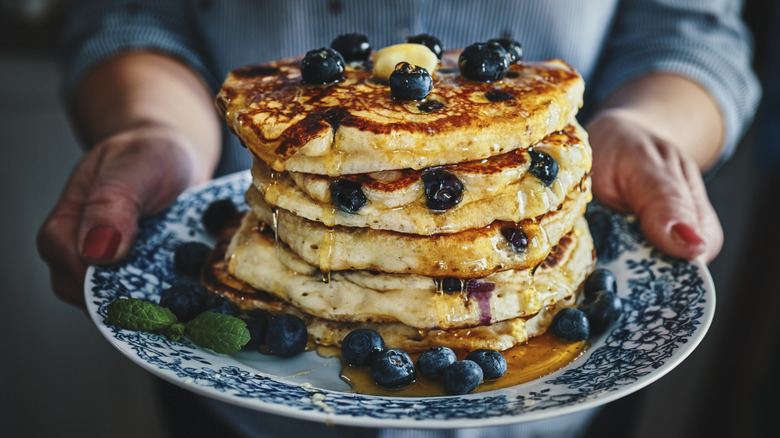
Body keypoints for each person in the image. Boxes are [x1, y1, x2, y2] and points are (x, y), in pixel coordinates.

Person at [37, 0, 760, 437]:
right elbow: (127, 14)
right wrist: (155, 128)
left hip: (558, 418)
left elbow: (690, 30)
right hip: (247, 413)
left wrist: (645, 128)